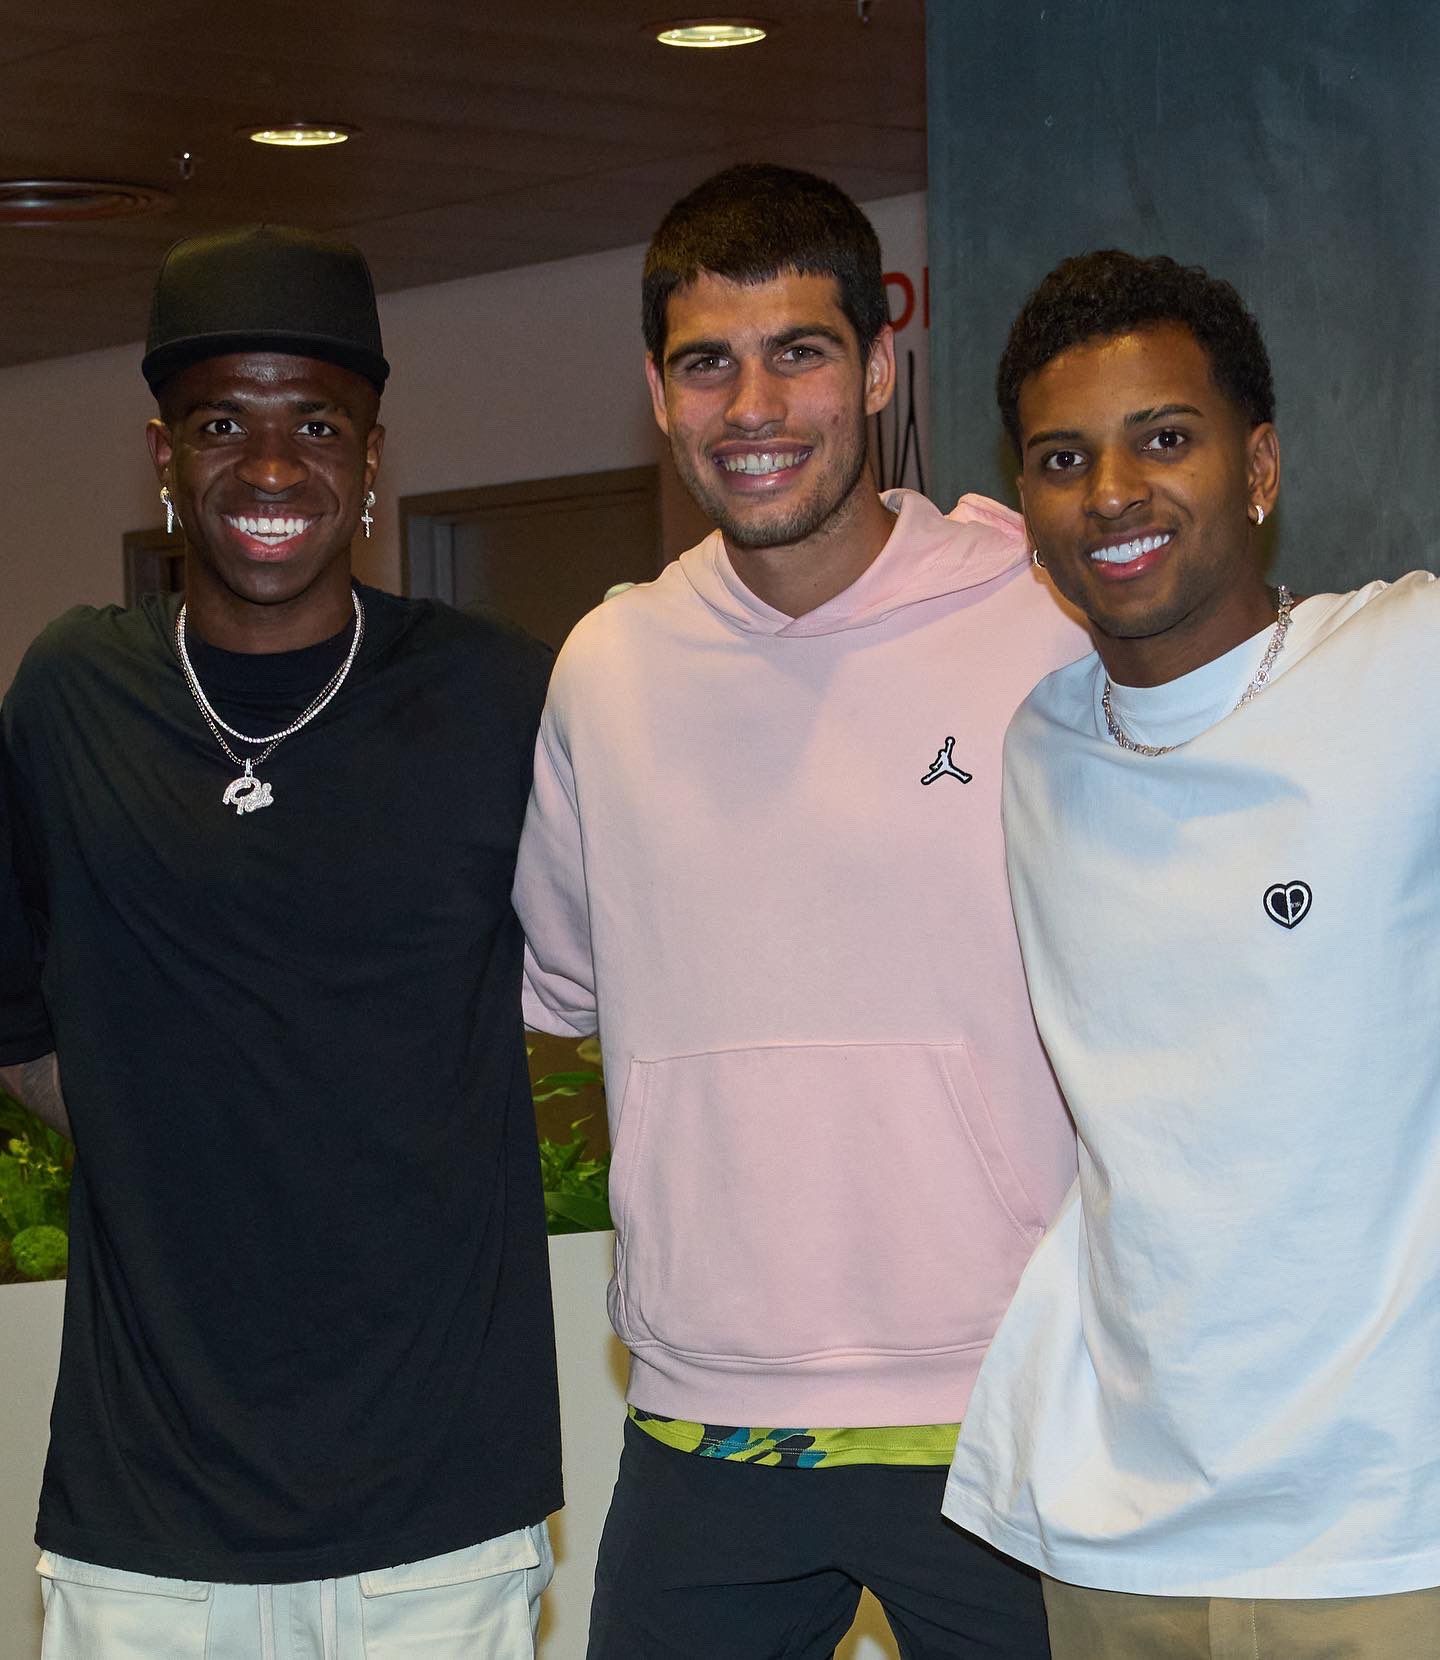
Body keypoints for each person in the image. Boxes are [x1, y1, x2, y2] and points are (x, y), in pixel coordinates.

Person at [514, 163, 1088, 1658]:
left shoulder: (1046, 619)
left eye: (801, 351)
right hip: (709, 1417)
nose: (752, 404)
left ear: (882, 367)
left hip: (1005, 1400)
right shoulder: (606, 668)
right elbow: (570, 996)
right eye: (708, 362)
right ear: (658, 390)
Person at [0, 224, 561, 1657]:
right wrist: (173, 1142)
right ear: (163, 452)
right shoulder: (73, 696)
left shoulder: (498, 697)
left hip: (438, 1521)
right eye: (220, 424)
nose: (268, 467)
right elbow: (19, 1025)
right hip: (148, 1535)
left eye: (316, 422)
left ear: (372, 458)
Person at [941, 249, 1440, 1656]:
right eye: (1062, 456)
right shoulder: (1037, 749)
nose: (1112, 492)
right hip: (1118, 1535)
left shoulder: (1405, 667)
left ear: (1259, 464)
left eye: (1165, 438)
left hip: (1390, 1530)